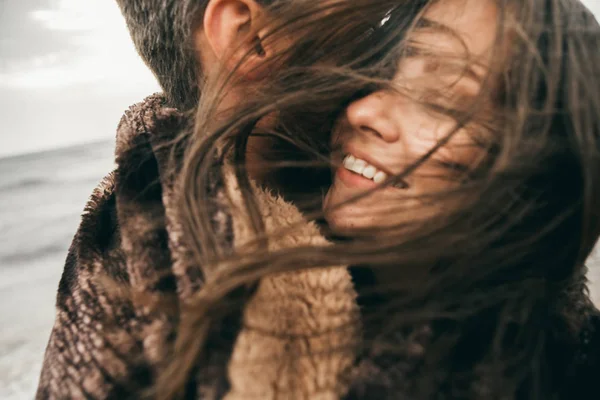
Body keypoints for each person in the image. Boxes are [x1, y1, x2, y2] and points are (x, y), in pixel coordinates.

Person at [37, 1, 600, 400]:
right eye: (391, 70)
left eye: (444, 97)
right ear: (250, 34)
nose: (366, 106)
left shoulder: (563, 361)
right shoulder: (127, 282)